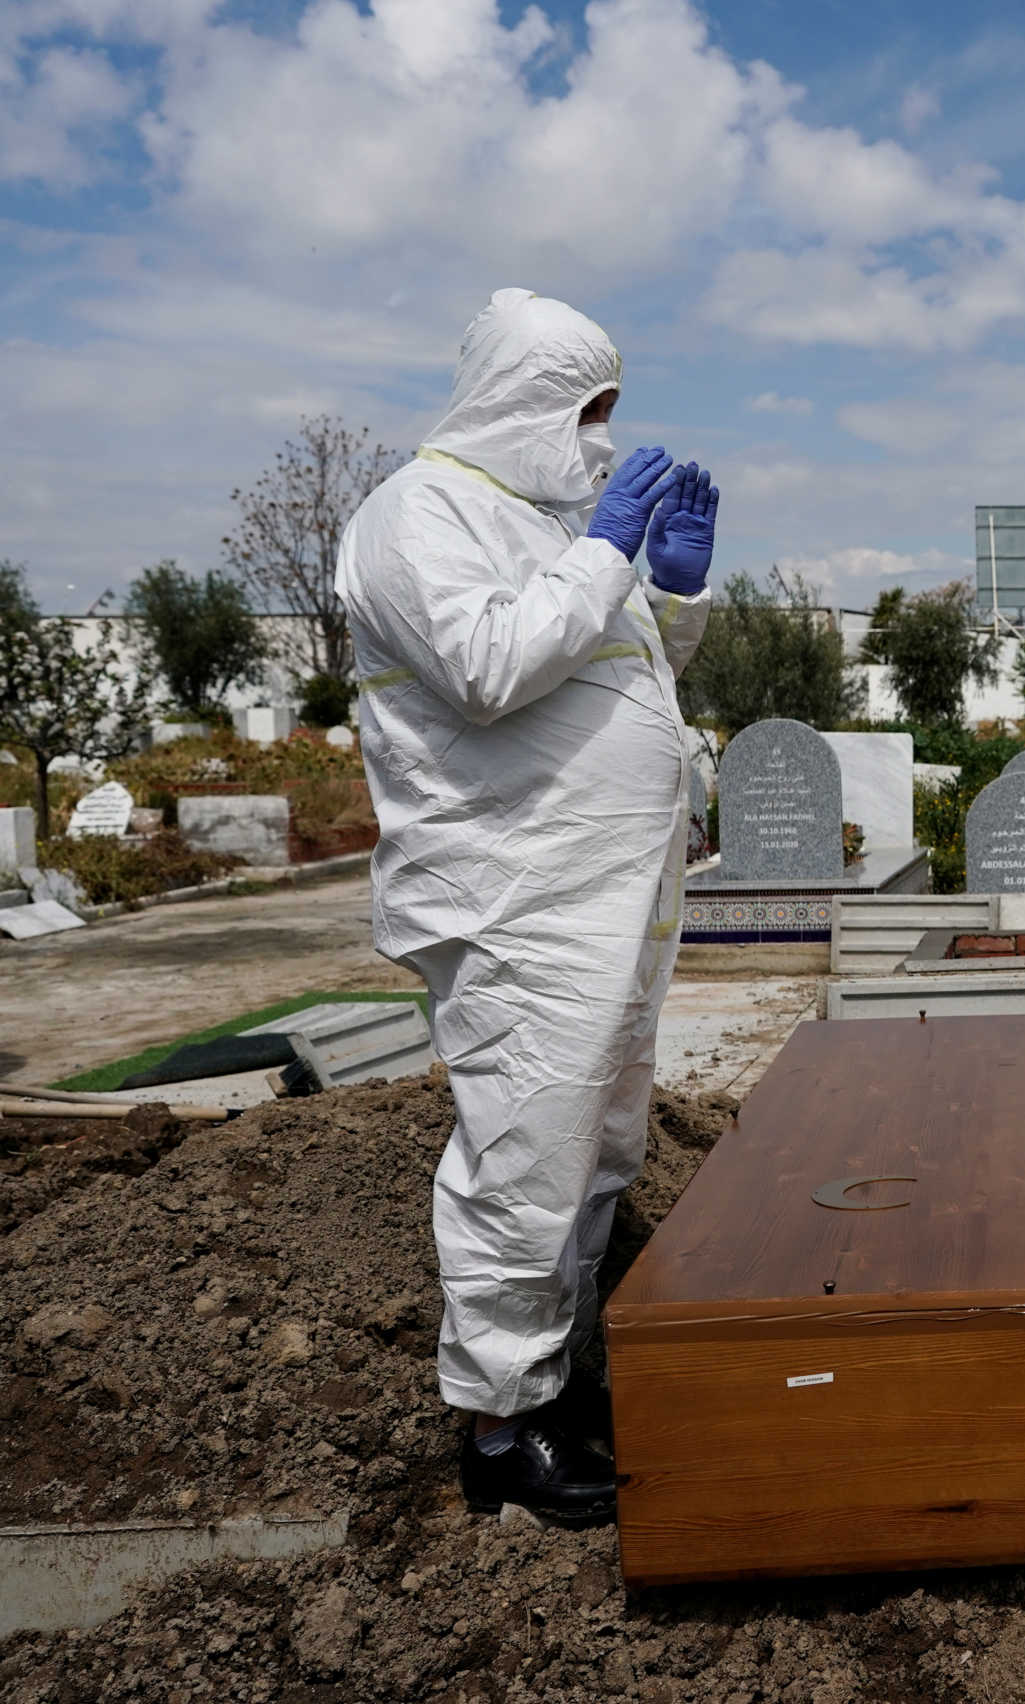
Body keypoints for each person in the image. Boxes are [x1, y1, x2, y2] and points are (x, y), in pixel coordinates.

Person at [336, 289, 720, 1526]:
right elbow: (494, 670)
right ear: (519, 398)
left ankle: (564, 1378)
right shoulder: (413, 517)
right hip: (516, 905)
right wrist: (608, 548)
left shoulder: (531, 520)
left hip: (598, 899)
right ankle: (502, 1432)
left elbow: (605, 677)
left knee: (596, 1144)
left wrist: (674, 594)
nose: (603, 440)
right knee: (526, 1156)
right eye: (588, 411)